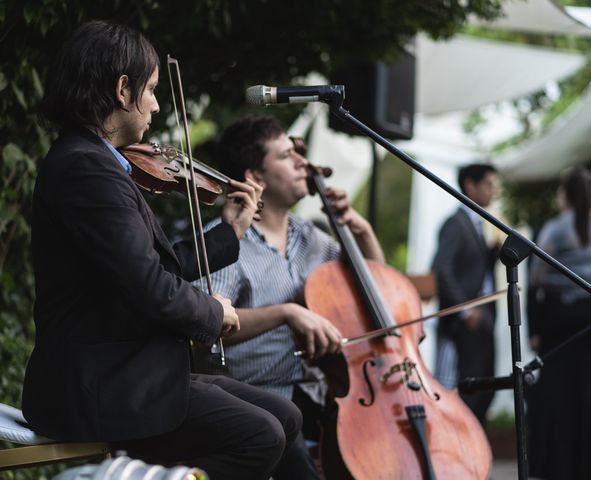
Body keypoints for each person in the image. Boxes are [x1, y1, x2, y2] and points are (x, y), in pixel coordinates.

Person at [21, 20, 303, 480]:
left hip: (132, 371)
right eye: (151, 90)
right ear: (121, 88)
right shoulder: (86, 171)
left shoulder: (96, 164)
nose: (155, 105)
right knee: (260, 435)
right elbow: (151, 289)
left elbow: (151, 266)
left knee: (285, 417)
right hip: (102, 386)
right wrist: (215, 313)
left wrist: (228, 234)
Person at [194, 115, 385, 479]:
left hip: (321, 396)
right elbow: (206, 323)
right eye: (285, 156)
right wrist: (285, 313)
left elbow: (375, 293)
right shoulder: (224, 242)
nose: (302, 162)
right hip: (255, 400)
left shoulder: (311, 237)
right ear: (256, 178)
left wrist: (361, 231)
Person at [527, 166, 591, 480]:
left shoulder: (552, 230)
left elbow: (536, 279)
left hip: (560, 321)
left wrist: (535, 328)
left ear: (566, 196)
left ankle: (561, 469)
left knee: (560, 400)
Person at [431, 163, 500, 424]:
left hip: (483, 319)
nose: (494, 191)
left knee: (484, 388)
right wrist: (465, 310)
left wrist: (492, 255)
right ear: (470, 186)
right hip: (465, 324)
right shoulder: (456, 223)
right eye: (489, 184)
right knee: (466, 391)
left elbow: (471, 269)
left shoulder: (476, 223)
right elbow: (441, 269)